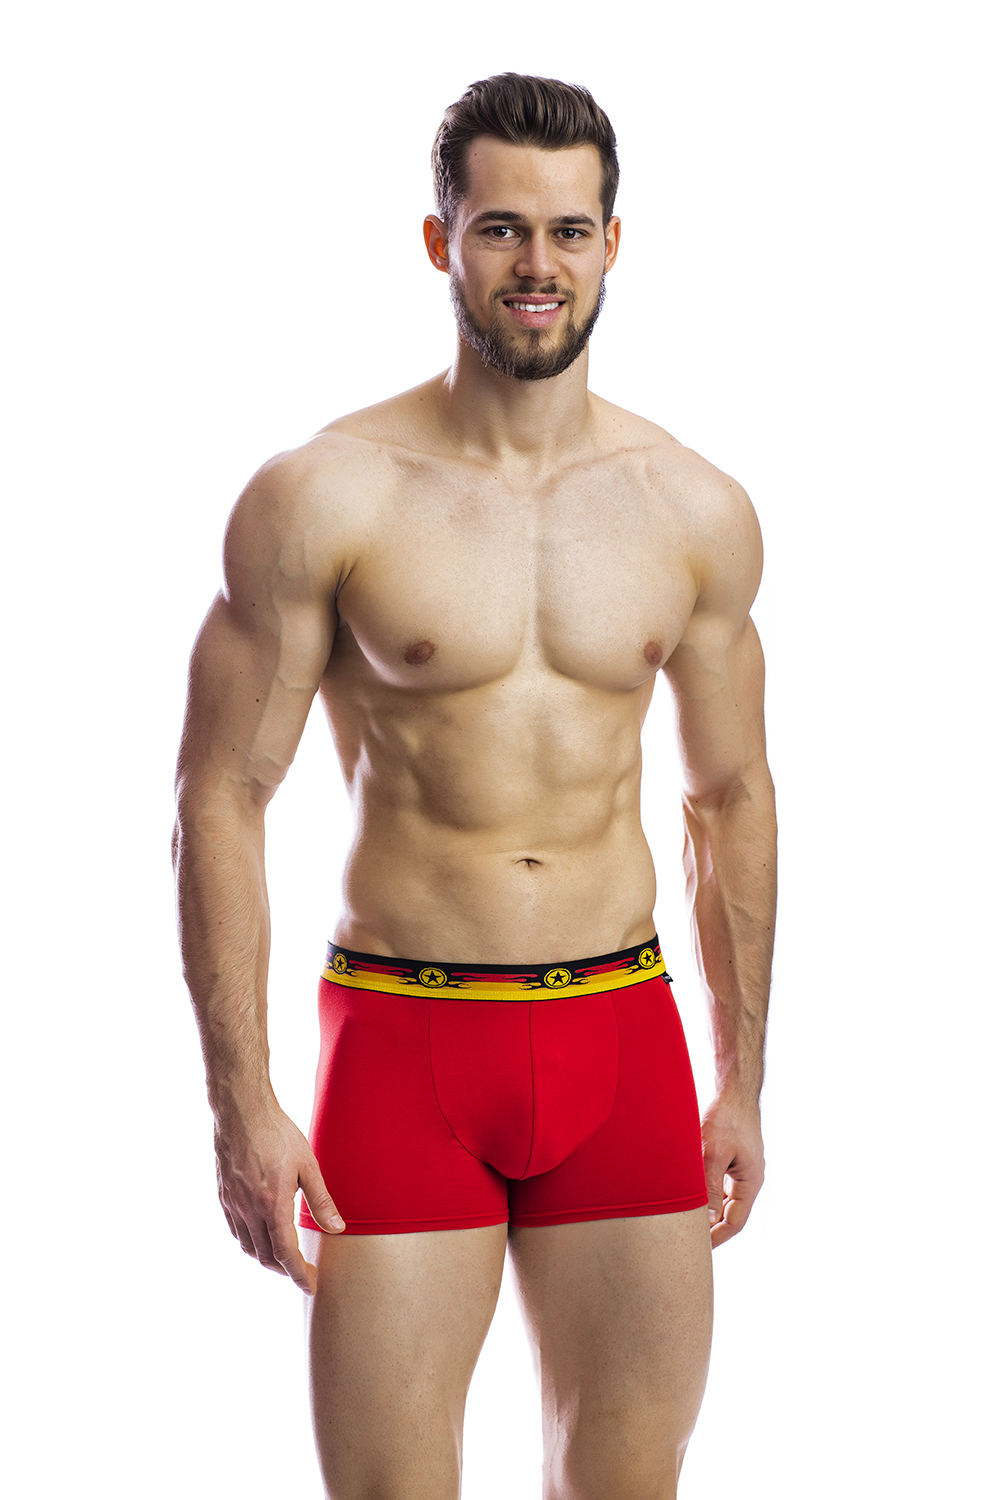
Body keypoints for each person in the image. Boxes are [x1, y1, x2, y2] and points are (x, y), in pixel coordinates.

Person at [173, 72, 776, 1500]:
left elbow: (732, 799)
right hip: (405, 1044)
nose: (536, 265)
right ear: (442, 240)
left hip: (621, 1038)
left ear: (613, 244)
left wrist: (743, 1080)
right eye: (502, 228)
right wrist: (242, 1101)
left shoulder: (692, 509)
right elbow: (218, 795)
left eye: (568, 231)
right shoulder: (328, 495)